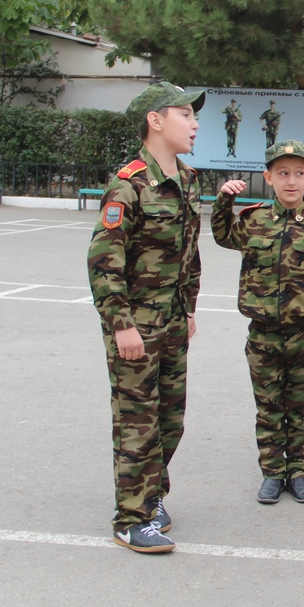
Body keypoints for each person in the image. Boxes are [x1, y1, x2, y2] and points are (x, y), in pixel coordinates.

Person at [88, 81, 205, 553]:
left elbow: (190, 253)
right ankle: (130, 518)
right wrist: (121, 325)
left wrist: (188, 307)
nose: (195, 123)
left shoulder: (189, 179)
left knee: (170, 419)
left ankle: (151, 497)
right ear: (155, 120)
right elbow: (104, 261)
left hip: (172, 321)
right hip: (136, 324)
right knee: (137, 421)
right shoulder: (129, 185)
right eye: (185, 114)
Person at [211, 140, 304, 504]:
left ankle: (298, 472)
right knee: (269, 407)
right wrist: (224, 200)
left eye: (299, 173)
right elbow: (222, 236)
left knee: (303, 409)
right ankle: (272, 472)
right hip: (263, 334)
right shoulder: (253, 220)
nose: (291, 181)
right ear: (268, 177)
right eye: (283, 173)